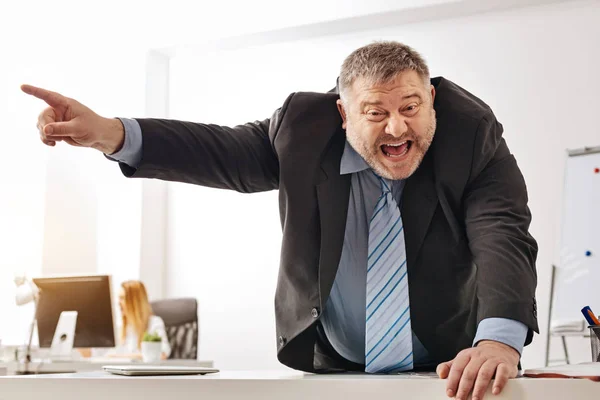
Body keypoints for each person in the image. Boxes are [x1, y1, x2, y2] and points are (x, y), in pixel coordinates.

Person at [23, 41, 538, 400]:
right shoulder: (302, 128)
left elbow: (503, 233)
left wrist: (498, 339)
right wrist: (111, 133)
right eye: (376, 112)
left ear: (430, 100)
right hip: (330, 367)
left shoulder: (472, 136)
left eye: (411, 106)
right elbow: (220, 151)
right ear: (343, 114)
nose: (398, 126)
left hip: (444, 365)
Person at [113, 280, 171, 360]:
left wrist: (115, 357)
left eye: (122, 298)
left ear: (135, 301)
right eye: (119, 298)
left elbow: (162, 354)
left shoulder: (154, 323)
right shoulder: (121, 327)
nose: (118, 303)